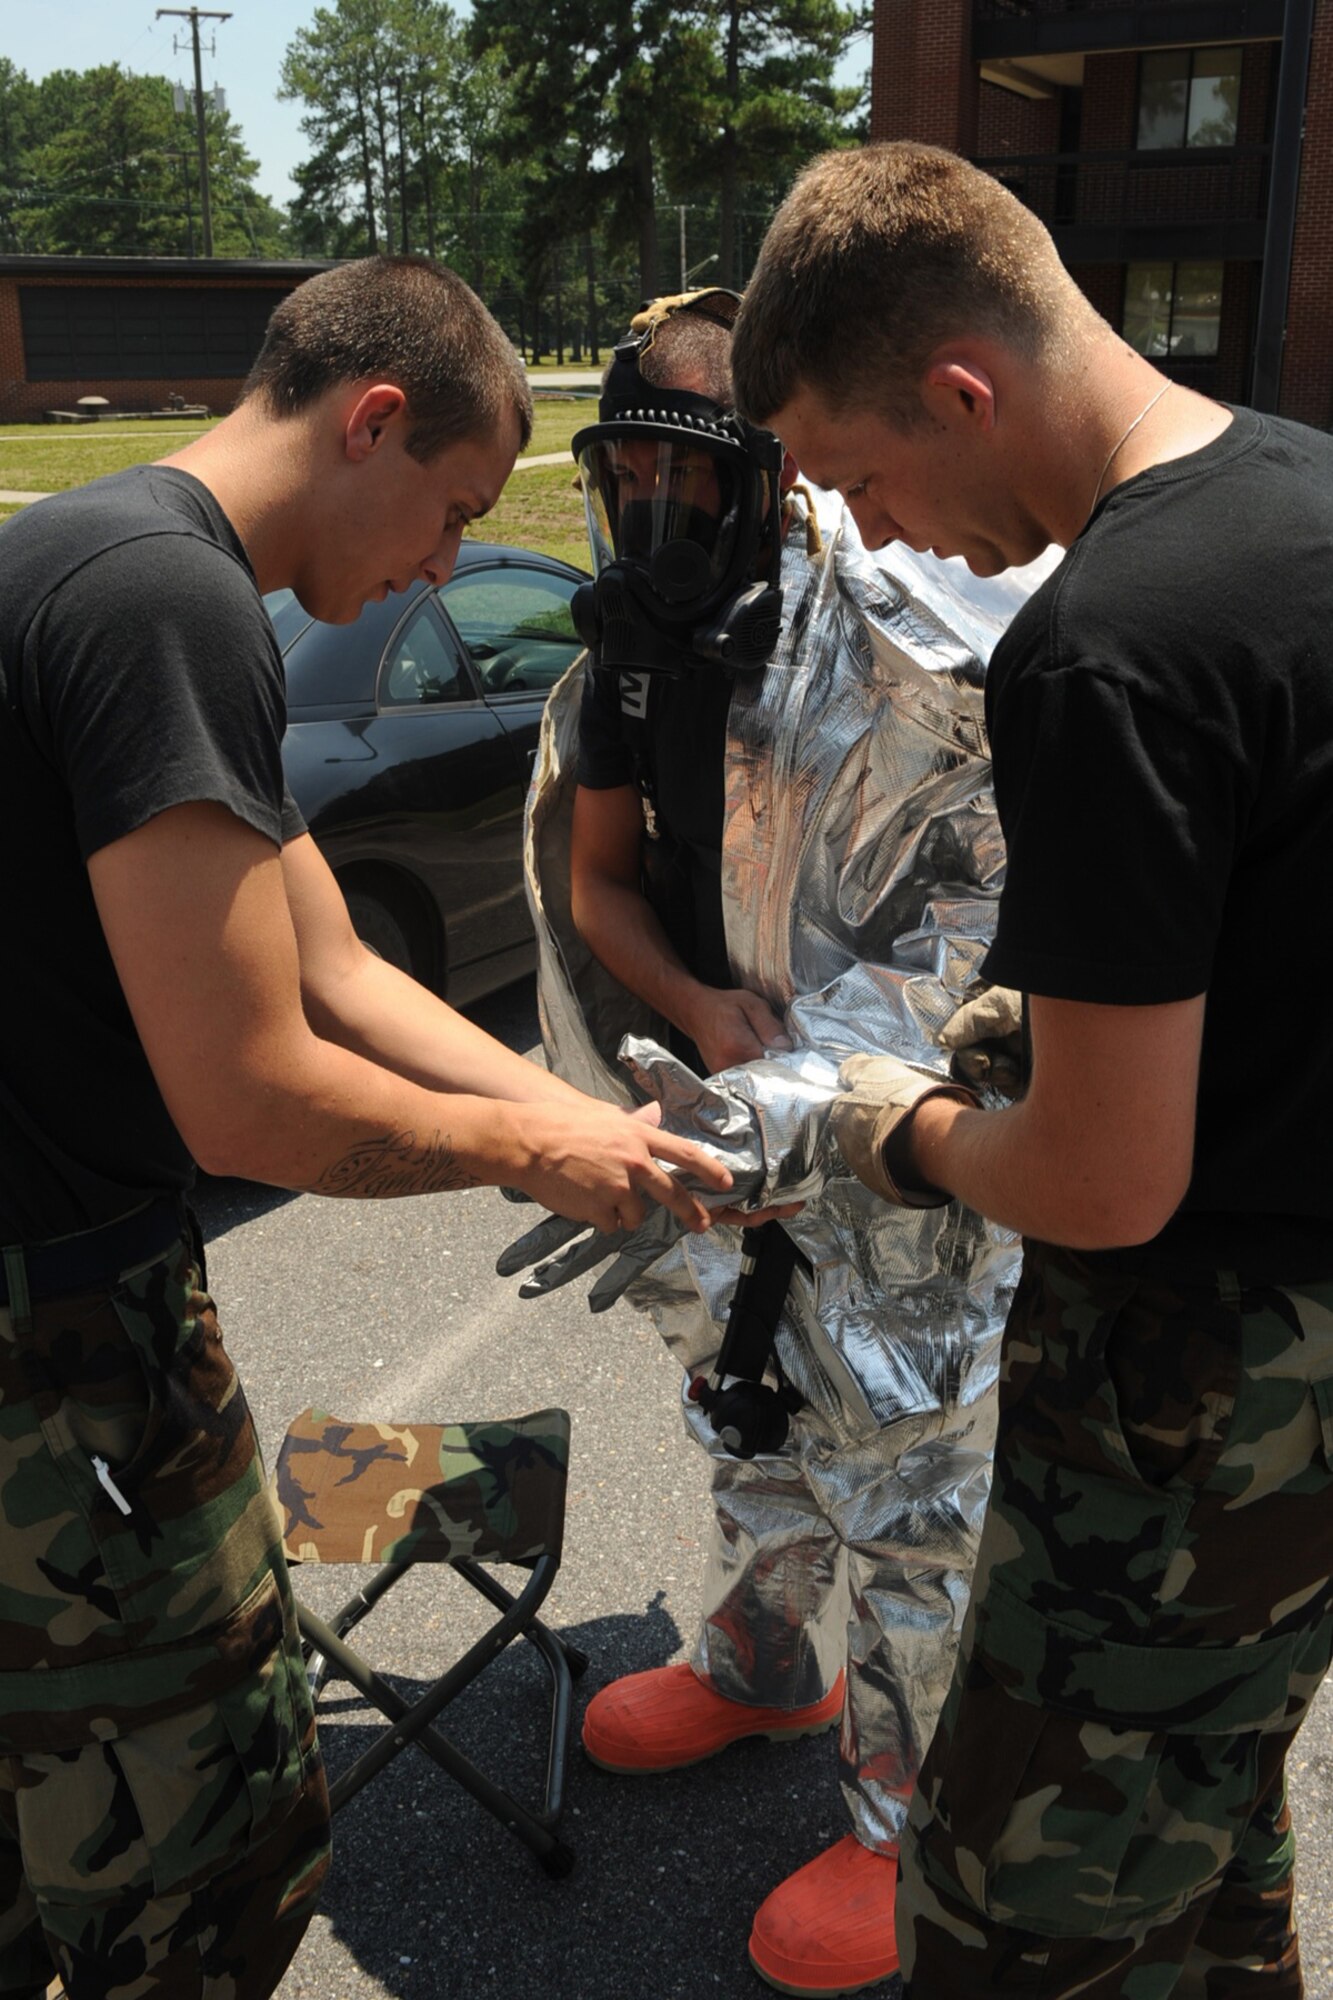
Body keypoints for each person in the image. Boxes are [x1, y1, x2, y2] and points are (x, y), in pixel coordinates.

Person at [0, 253, 735, 2000]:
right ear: (373, 419)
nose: (440, 561)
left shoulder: (94, 551)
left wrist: (573, 1106)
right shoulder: (163, 609)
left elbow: (325, 956)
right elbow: (247, 1093)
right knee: (207, 1848)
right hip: (58, 1349)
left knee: (41, 1820)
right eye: (456, 511)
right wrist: (534, 1156)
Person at [730, 140, 1333, 1999]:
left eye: (867, 480)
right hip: (1307, 1403)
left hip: (1190, 1397)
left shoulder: (1107, 648)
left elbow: (1099, 1182)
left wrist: (885, 1128)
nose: (889, 541)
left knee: (1015, 1921)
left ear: (961, 388)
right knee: (1209, 1818)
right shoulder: (1306, 497)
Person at [515, 289, 1039, 1995]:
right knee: (741, 1422)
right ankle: (757, 1666)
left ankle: (908, 1835)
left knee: (908, 1479)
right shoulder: (627, 656)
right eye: (626, 479)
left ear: (779, 474)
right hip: (697, 1125)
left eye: (695, 479)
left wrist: (792, 1082)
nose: (655, 521)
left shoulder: (915, 656)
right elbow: (597, 881)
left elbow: (973, 951)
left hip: (885, 1155)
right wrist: (687, 1007)